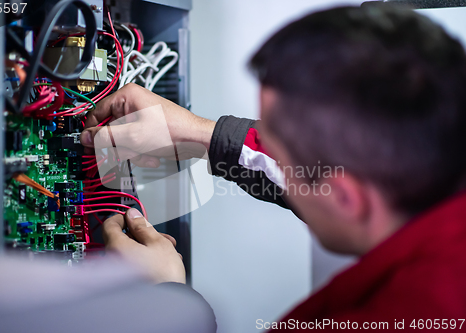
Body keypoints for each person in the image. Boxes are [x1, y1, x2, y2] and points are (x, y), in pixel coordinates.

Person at [80, 4, 466, 332]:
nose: (271, 156)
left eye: (279, 151)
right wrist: (205, 136)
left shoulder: (407, 315)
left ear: (347, 198)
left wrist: (166, 300)